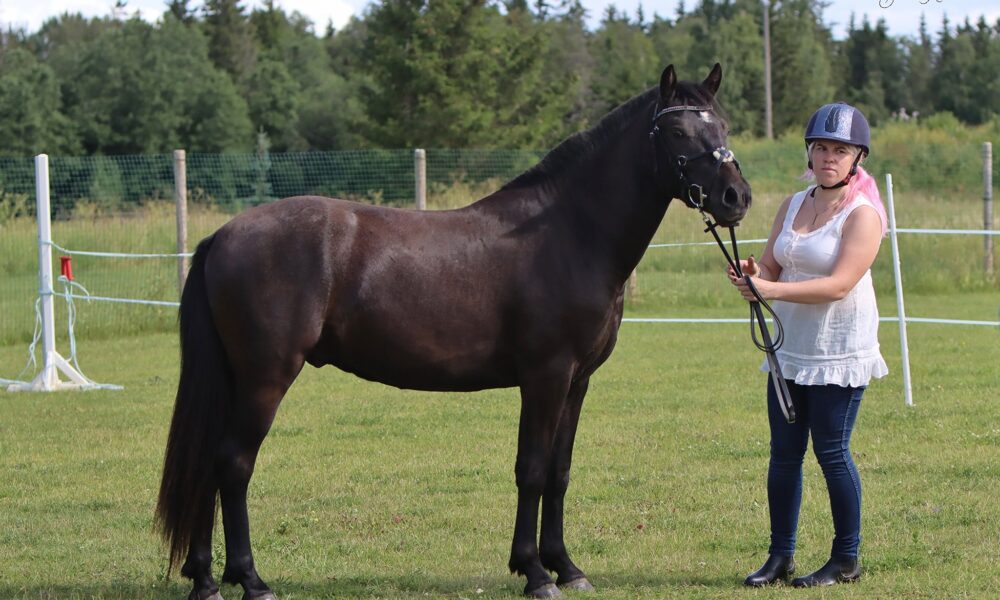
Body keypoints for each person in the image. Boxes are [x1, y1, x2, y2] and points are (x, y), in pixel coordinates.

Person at [731, 102, 889, 588]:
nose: (828, 157)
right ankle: (780, 557)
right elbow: (775, 268)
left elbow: (840, 284)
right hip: (791, 347)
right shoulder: (795, 203)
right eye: (821, 147)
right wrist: (756, 276)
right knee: (783, 455)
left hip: (839, 347)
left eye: (839, 149)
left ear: (857, 157)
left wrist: (772, 291)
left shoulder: (864, 215)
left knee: (832, 451)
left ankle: (846, 559)